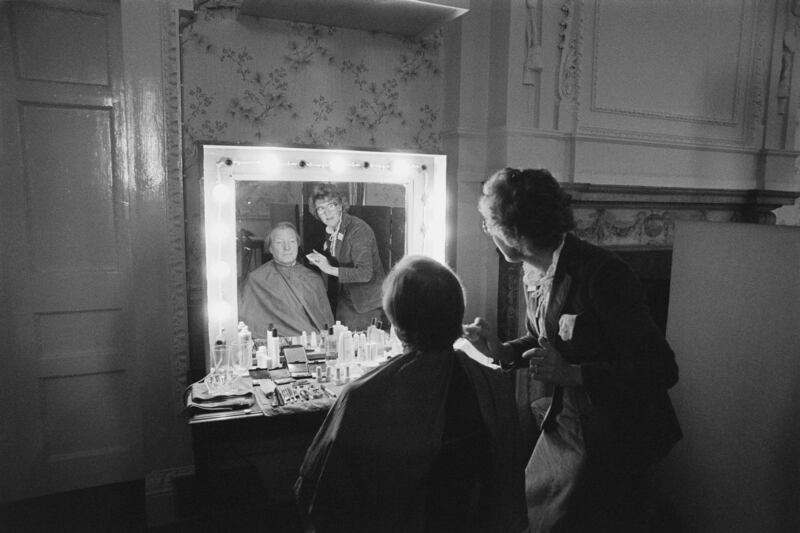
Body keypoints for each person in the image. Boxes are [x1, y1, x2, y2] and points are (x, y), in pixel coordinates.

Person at [463, 168, 682, 532]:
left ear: (514, 232)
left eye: (489, 224)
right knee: (534, 513)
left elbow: (661, 368)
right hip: (570, 422)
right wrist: (501, 351)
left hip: (616, 433)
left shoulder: (604, 275)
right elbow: (544, 338)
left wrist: (573, 374)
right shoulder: (535, 270)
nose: (487, 233)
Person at [295, 255, 527, 533]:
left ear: (396, 322)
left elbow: (320, 495)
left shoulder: (363, 397)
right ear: (457, 314)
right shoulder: (492, 384)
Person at [305, 183, 385, 331]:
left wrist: (329, 268)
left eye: (331, 205)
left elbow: (365, 273)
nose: (327, 213)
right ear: (316, 213)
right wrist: (325, 262)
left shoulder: (358, 230)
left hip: (366, 304)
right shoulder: (331, 230)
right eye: (321, 208)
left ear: (340, 206)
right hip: (347, 298)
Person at [239, 222, 334, 338]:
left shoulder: (314, 279)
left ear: (298, 245)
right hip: (277, 345)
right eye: (279, 243)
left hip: (314, 343)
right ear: (270, 248)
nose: (287, 248)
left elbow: (327, 323)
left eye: (292, 241)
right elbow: (252, 325)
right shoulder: (256, 280)